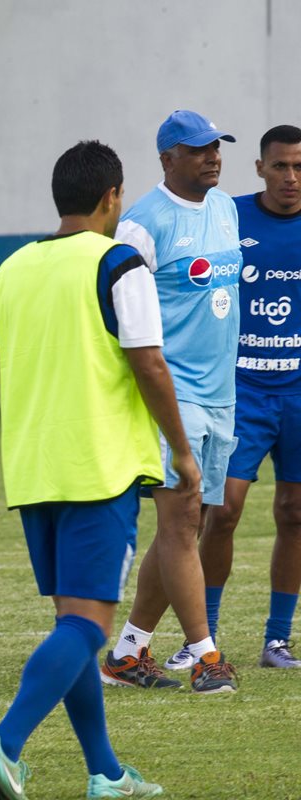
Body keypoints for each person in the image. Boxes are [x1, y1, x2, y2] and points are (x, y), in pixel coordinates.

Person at [0, 141, 188, 800]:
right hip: (101, 468)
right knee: (87, 627)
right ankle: (4, 744)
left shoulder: (13, 268)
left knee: (74, 626)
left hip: (35, 472)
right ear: (112, 197)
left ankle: (107, 774)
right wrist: (184, 451)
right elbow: (148, 364)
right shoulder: (121, 263)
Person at [99, 111, 240, 693]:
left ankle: (128, 653)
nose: (212, 157)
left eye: (216, 147)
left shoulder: (226, 208)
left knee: (190, 523)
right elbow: (120, 321)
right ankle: (206, 658)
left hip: (222, 394)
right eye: (198, 149)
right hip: (171, 395)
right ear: (166, 159)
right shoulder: (140, 226)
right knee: (182, 522)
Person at [197, 124, 301, 669]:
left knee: (295, 511)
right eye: (280, 166)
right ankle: (204, 638)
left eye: (300, 167)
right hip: (242, 390)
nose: (290, 177)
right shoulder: (227, 216)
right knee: (223, 510)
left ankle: (277, 641)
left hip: (299, 393)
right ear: (259, 168)